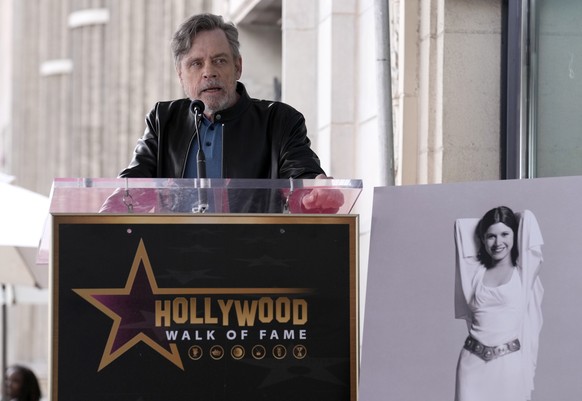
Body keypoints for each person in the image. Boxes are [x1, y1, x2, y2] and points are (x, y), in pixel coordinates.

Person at [114, 13, 342, 213]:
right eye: (196, 64)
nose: (209, 72)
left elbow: (301, 175)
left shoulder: (279, 121)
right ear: (180, 74)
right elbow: (133, 185)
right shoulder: (163, 119)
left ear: (238, 66)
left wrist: (314, 190)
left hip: (252, 255)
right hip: (174, 255)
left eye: (219, 60)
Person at [453, 206, 544, 401]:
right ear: (482, 239)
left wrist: (510, 218)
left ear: (516, 235)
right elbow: (461, 227)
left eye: (505, 234)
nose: (498, 242)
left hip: (509, 365)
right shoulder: (474, 274)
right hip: (472, 364)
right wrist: (496, 223)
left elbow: (527, 218)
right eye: (491, 236)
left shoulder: (523, 273)